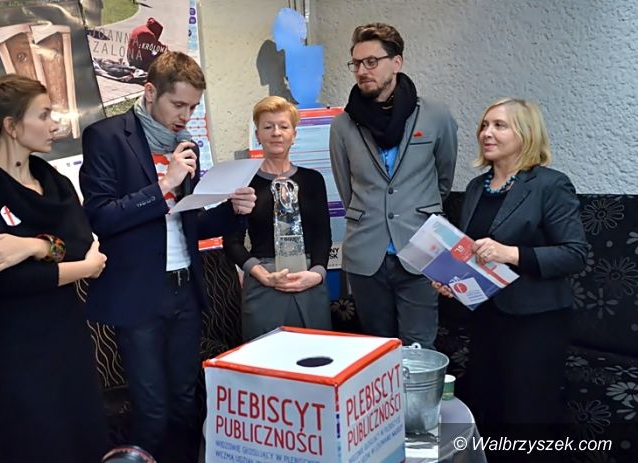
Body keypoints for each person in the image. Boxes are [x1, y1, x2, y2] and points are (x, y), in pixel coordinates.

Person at [79, 51, 256, 463]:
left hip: (185, 289)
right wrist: (164, 186)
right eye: (178, 104)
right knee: (154, 410)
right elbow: (101, 217)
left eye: (193, 107)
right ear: (149, 91)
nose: (185, 116)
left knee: (185, 400)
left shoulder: (185, 146)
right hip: (140, 293)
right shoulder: (107, 137)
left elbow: (189, 225)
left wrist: (233, 211)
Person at [0, 74, 110, 463]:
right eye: (43, 115)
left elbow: (82, 242)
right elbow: (11, 281)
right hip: (15, 349)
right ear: (11, 126)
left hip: (68, 338)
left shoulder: (56, 183)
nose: (54, 124)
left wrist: (33, 246)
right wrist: (83, 266)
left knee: (85, 440)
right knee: (37, 446)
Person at [433, 98, 588, 446]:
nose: (486, 133)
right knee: (486, 410)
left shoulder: (550, 185)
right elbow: (475, 254)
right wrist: (451, 280)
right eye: (484, 125)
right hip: (486, 318)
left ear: (526, 133)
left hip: (536, 321)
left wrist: (511, 254)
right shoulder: (477, 187)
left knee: (525, 420)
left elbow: (575, 254)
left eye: (499, 125)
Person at [329, 23, 457, 349]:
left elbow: (443, 179)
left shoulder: (435, 116)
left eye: (371, 61)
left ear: (396, 62)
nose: (362, 70)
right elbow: (347, 189)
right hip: (365, 254)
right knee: (377, 353)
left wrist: (415, 210)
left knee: (420, 350)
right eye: (356, 63)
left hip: (422, 250)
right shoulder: (343, 125)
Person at [223, 96, 332, 340]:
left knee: (315, 355)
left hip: (309, 280)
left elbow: (322, 235)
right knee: (264, 359)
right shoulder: (243, 183)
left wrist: (317, 274)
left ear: (294, 134)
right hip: (263, 281)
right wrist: (262, 275)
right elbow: (231, 242)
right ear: (258, 135)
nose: (276, 133)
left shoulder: (313, 180)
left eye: (283, 126)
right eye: (268, 126)